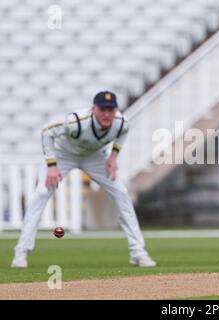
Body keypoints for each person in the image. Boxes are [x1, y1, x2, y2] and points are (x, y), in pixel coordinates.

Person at [11, 91, 156, 268]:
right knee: (41, 193)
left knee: (121, 193)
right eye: (103, 109)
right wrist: (52, 165)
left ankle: (139, 252)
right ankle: (21, 252)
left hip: (94, 157)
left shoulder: (122, 123)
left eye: (111, 110)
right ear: (93, 109)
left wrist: (113, 157)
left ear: (116, 110)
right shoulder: (76, 122)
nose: (107, 114)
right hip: (63, 155)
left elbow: (123, 134)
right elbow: (47, 131)